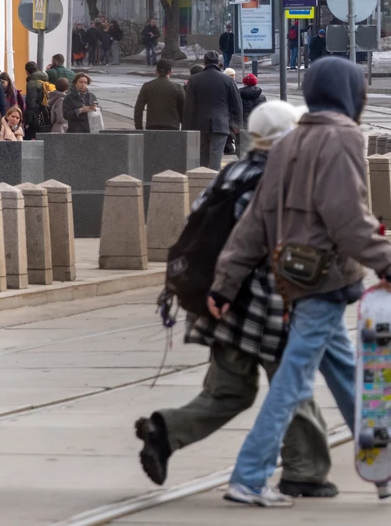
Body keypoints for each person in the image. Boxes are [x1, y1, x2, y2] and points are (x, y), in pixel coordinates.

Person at [209, 57, 391, 507]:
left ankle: (385, 467)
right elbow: (347, 213)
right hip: (326, 277)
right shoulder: (345, 135)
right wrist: (386, 262)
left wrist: (225, 280)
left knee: (351, 381)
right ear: (351, 91)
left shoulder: (291, 139)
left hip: (294, 273)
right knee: (293, 382)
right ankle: (249, 477)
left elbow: (258, 217)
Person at [134, 101, 339, 498]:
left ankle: (165, 431)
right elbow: (283, 248)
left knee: (229, 391)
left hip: (219, 304)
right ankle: (306, 471)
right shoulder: (283, 182)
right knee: (292, 387)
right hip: (266, 306)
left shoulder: (233, 173)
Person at [183, 51, 242, 170]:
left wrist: (186, 128)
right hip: (221, 125)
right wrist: (237, 124)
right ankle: (214, 184)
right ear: (218, 63)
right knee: (216, 157)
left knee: (202, 156)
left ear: (205, 63)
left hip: (199, 125)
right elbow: (236, 104)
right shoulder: (227, 80)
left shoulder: (194, 80)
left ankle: (201, 182)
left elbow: (189, 106)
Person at [134, 59, 185, 130]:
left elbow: (138, 108)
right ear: (170, 72)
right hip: (172, 127)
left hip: (152, 126)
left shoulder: (147, 86)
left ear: (156, 72)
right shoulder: (178, 87)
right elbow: (184, 110)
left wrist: (139, 128)